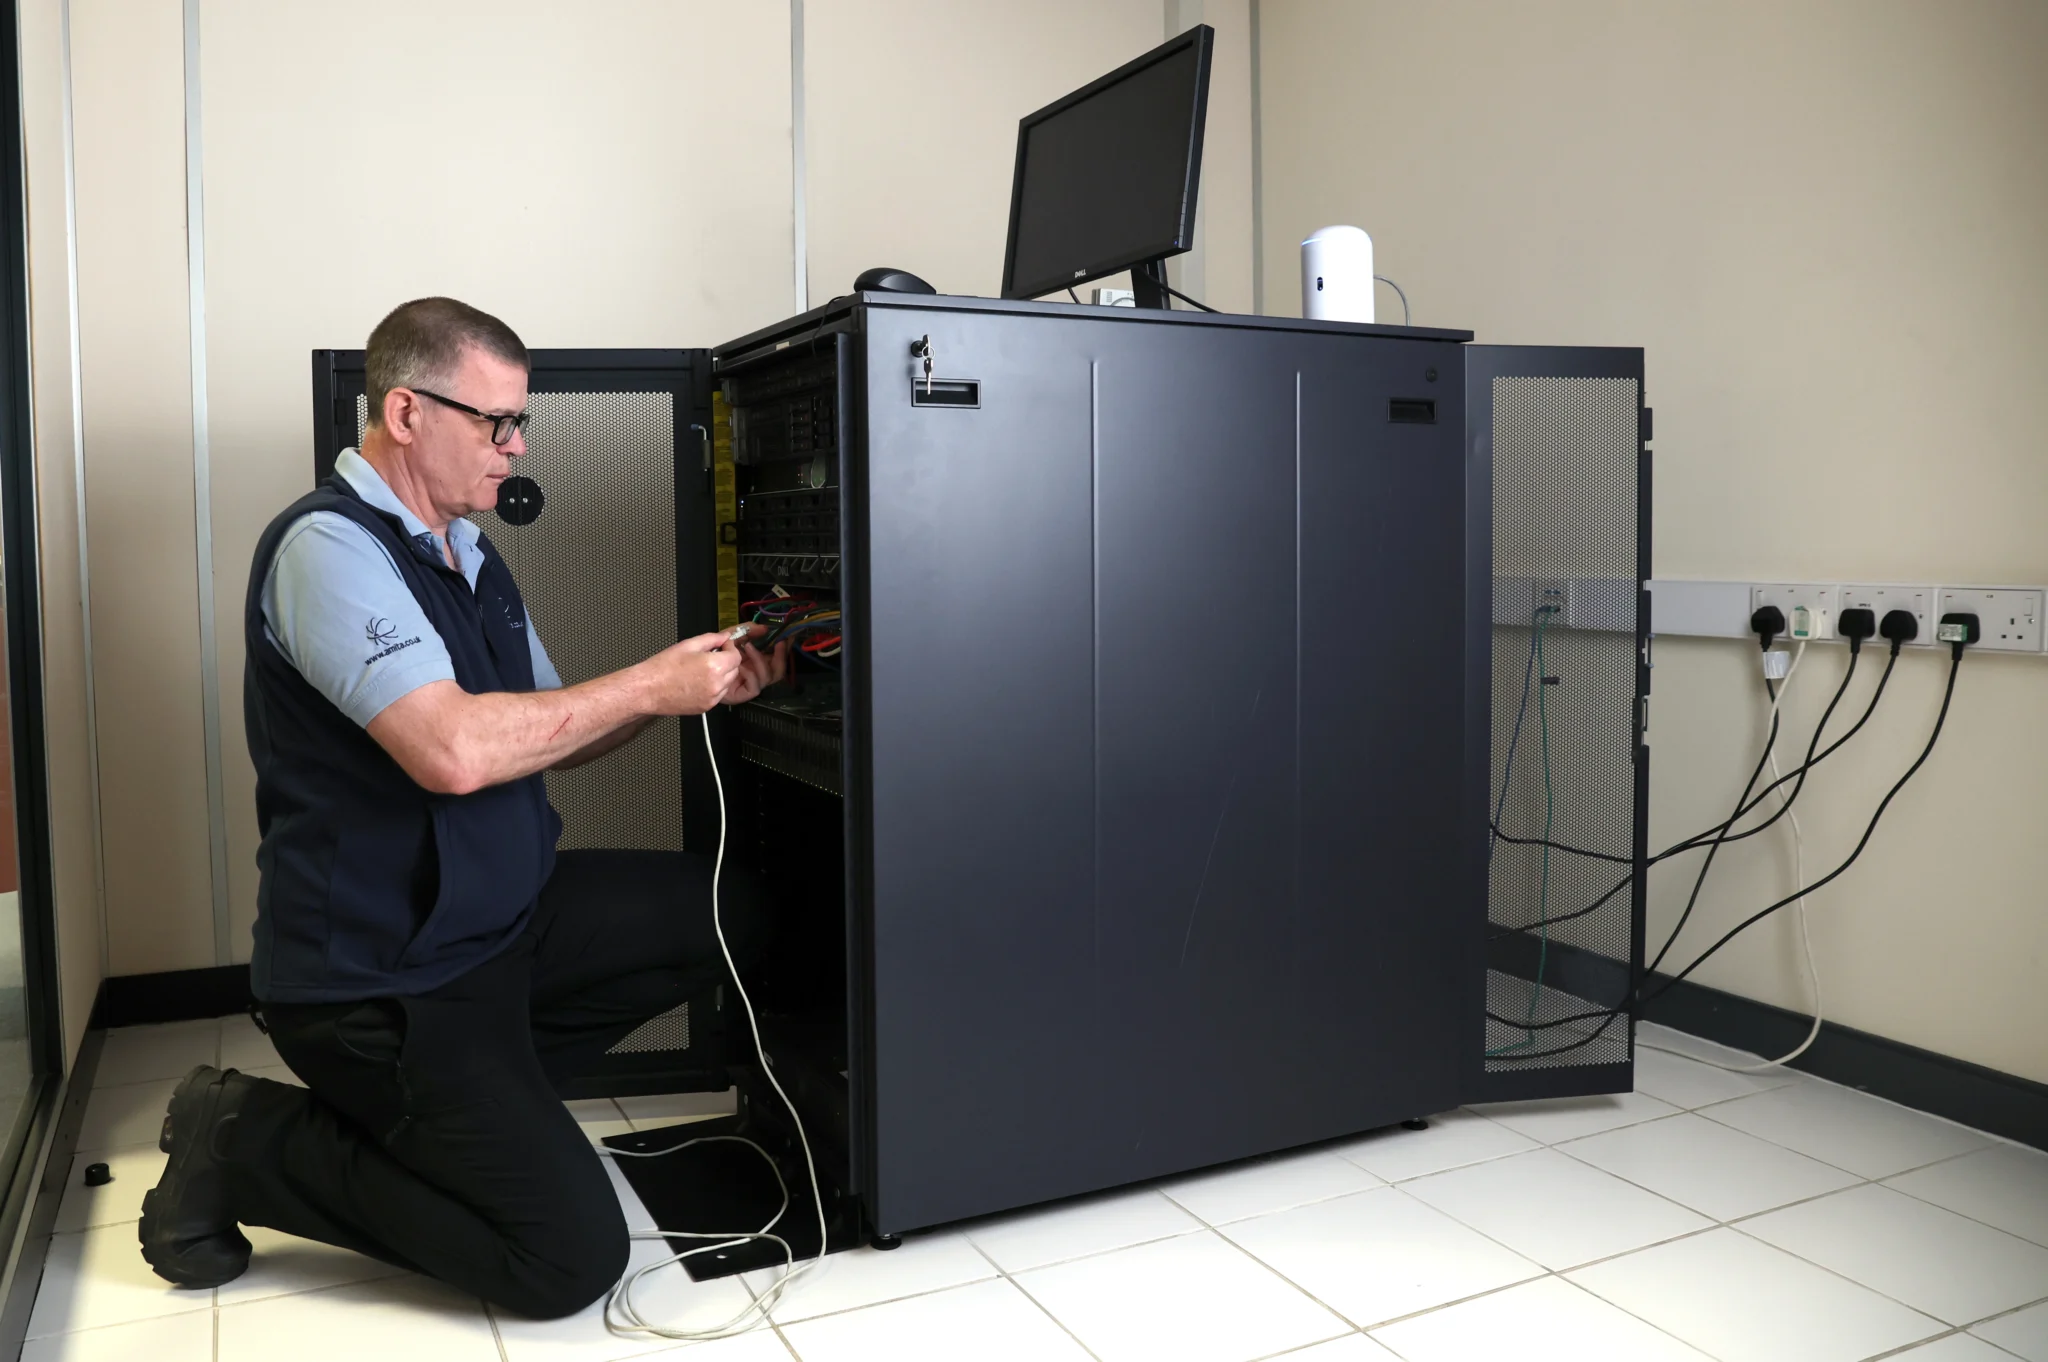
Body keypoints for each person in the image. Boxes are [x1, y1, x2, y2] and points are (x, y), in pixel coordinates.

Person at [136, 297, 787, 1318]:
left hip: (501, 929)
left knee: (731, 911)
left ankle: (479, 1111)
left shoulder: (468, 554)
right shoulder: (327, 549)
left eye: (518, 423)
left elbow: (553, 729)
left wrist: (694, 687)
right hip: (383, 978)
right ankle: (247, 1140)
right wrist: (644, 685)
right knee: (567, 1261)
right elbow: (450, 752)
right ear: (406, 412)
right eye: (497, 423)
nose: (516, 448)